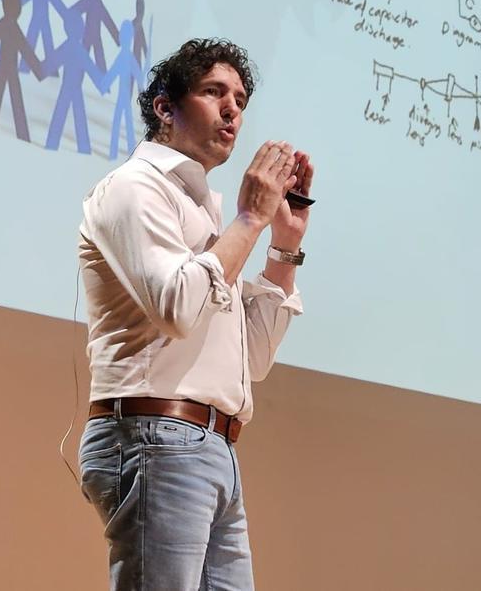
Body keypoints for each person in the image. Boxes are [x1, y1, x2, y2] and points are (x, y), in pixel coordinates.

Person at [77, 38, 314, 590]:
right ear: (165, 107)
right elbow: (178, 309)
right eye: (214, 92)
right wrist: (250, 221)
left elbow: (249, 361)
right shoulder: (134, 189)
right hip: (155, 433)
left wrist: (283, 245)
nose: (233, 108)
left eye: (240, 98)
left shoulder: (204, 208)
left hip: (214, 446)